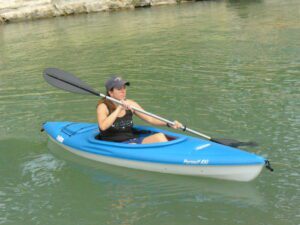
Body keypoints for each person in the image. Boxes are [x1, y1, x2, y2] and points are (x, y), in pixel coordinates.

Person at [96, 76, 182, 144]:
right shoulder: (103, 106)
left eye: (124, 88)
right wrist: (119, 108)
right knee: (133, 146)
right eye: (119, 89)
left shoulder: (130, 104)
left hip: (131, 141)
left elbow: (150, 118)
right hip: (114, 144)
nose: (123, 91)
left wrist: (169, 123)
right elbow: (103, 126)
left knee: (160, 137)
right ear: (110, 92)